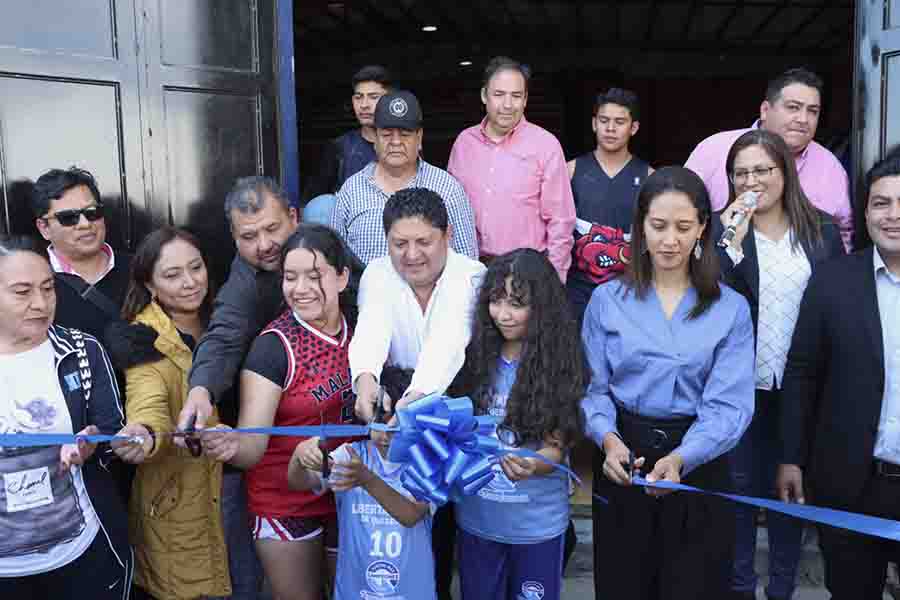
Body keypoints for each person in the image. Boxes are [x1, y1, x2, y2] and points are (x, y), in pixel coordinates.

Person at [581, 167, 755, 600]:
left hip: (699, 464)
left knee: (693, 585)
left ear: (702, 229)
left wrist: (682, 458)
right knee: (625, 584)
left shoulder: (730, 309)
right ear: (640, 227)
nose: (669, 240)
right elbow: (590, 388)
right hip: (623, 463)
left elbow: (728, 406)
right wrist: (607, 440)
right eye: (658, 227)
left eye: (683, 227)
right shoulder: (607, 300)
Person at [713, 130, 844, 600]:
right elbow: (708, 301)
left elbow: (839, 305)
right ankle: (741, 588)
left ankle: (783, 589)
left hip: (801, 386)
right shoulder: (719, 229)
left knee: (791, 491)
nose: (751, 181)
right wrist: (731, 242)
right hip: (738, 387)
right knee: (740, 491)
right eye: (740, 173)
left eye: (761, 170)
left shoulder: (822, 231)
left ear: (784, 173)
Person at [202, 224, 358, 600]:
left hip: (350, 493)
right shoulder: (274, 347)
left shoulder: (362, 328)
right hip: (285, 498)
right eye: (290, 277)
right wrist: (230, 445)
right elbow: (252, 446)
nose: (300, 288)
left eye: (313, 276)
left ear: (341, 277)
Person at [349, 187, 485, 600]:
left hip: (455, 402)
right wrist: (365, 380)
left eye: (423, 242)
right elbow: (371, 329)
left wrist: (416, 399)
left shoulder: (472, 275)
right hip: (396, 410)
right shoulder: (376, 273)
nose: (411, 255)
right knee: (414, 523)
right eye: (399, 244)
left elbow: (449, 341)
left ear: (447, 237)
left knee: (461, 527)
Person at [776, 147, 900, 599]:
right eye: (881, 203)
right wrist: (792, 457)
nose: (892, 216)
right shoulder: (833, 281)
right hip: (850, 483)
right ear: (865, 211)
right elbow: (803, 372)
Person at [178, 176, 299, 597]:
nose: (263, 244)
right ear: (234, 238)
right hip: (272, 443)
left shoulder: (325, 252)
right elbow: (225, 335)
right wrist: (201, 390)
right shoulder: (244, 280)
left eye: (272, 229)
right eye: (249, 236)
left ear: (294, 219)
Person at [451, 248, 588, 600]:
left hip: (537, 528)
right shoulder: (472, 358)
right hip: (477, 523)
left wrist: (533, 464)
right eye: (496, 301)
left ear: (542, 308)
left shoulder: (559, 364)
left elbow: (556, 448)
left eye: (517, 303)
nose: (504, 314)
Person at [0, 236, 132, 599]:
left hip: (81, 553)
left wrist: (95, 444)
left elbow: (112, 434)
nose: (40, 304)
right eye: (22, 292)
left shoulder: (81, 351)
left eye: (48, 288)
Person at [105, 227, 232, 600]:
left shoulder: (227, 320)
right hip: (180, 500)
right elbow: (147, 402)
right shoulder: (140, 339)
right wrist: (143, 434)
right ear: (150, 284)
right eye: (173, 275)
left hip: (241, 490)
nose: (191, 282)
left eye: (196, 268)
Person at [685, 68, 853, 251]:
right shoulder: (713, 150)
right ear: (765, 110)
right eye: (793, 107)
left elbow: (844, 235)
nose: (803, 119)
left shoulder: (830, 168)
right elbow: (681, 213)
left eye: (812, 111)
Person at [447, 56, 576, 281]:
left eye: (516, 96)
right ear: (484, 95)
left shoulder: (546, 145)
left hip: (527, 271)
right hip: (471, 270)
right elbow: (449, 208)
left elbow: (561, 221)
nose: (507, 105)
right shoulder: (464, 143)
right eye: (499, 95)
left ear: (525, 99)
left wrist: (555, 281)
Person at [286, 410, 436, 600]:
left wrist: (367, 479)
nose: (385, 435)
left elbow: (411, 514)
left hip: (412, 590)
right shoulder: (351, 454)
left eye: (397, 426)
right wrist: (299, 457)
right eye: (380, 422)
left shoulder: (428, 460)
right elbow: (300, 482)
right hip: (356, 589)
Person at [331, 90, 478, 265]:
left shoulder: (447, 188)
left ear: (420, 137)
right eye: (386, 135)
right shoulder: (351, 190)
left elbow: (467, 263)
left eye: (405, 134)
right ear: (375, 139)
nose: (395, 142)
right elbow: (335, 263)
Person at [566, 88, 653, 321]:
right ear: (594, 124)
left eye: (620, 122)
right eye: (604, 121)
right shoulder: (571, 170)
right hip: (577, 289)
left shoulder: (649, 177)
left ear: (633, 127)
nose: (611, 129)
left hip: (629, 290)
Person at [32, 167, 132, 340]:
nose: (85, 224)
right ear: (44, 228)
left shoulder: (140, 269)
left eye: (92, 212)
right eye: (69, 217)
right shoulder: (30, 284)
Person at [302, 65, 393, 225]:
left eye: (373, 97)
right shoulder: (340, 148)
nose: (364, 105)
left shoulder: (402, 146)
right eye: (359, 97)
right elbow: (312, 202)